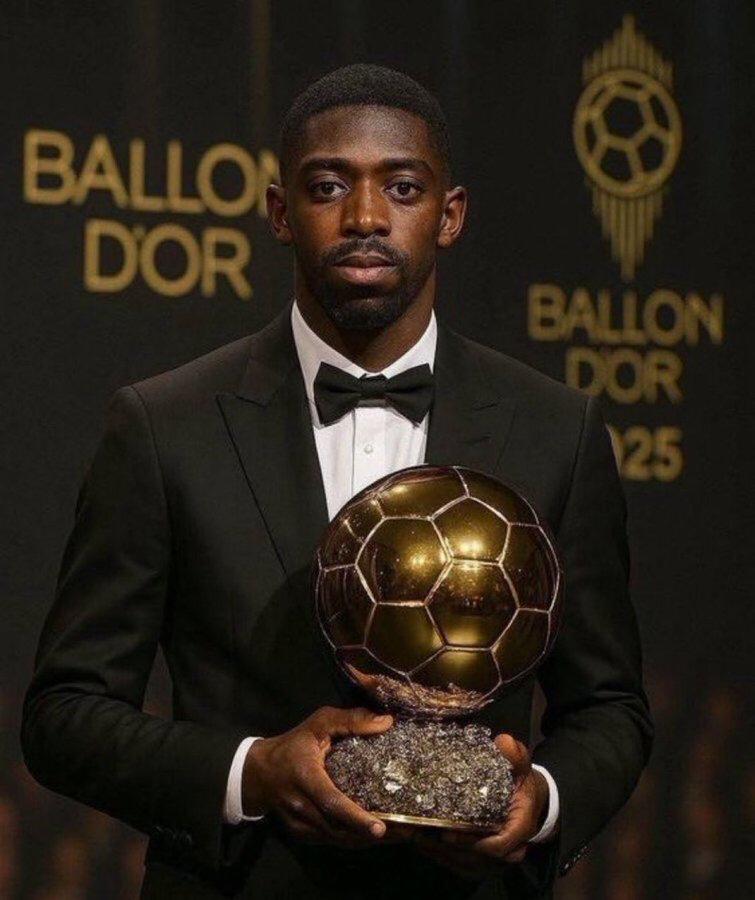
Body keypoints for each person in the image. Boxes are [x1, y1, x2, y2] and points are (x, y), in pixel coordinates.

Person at [21, 64, 653, 899]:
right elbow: (65, 715)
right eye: (327, 186)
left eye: (401, 187)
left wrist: (539, 806)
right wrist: (251, 773)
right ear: (280, 212)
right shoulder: (163, 425)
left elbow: (609, 707)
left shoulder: (556, 428)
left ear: (449, 215)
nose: (364, 218)